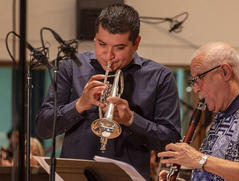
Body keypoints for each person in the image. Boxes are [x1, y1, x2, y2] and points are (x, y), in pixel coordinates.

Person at [35, 3, 181, 180]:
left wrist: (133, 120)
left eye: (119, 48)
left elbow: (171, 143)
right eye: (102, 44)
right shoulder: (71, 68)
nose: (108, 55)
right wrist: (79, 105)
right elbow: (42, 128)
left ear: (136, 43)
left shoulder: (160, 76)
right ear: (95, 38)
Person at [158, 42, 239, 181]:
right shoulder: (222, 115)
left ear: (225, 72)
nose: (196, 88)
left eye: (199, 78)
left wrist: (199, 159)